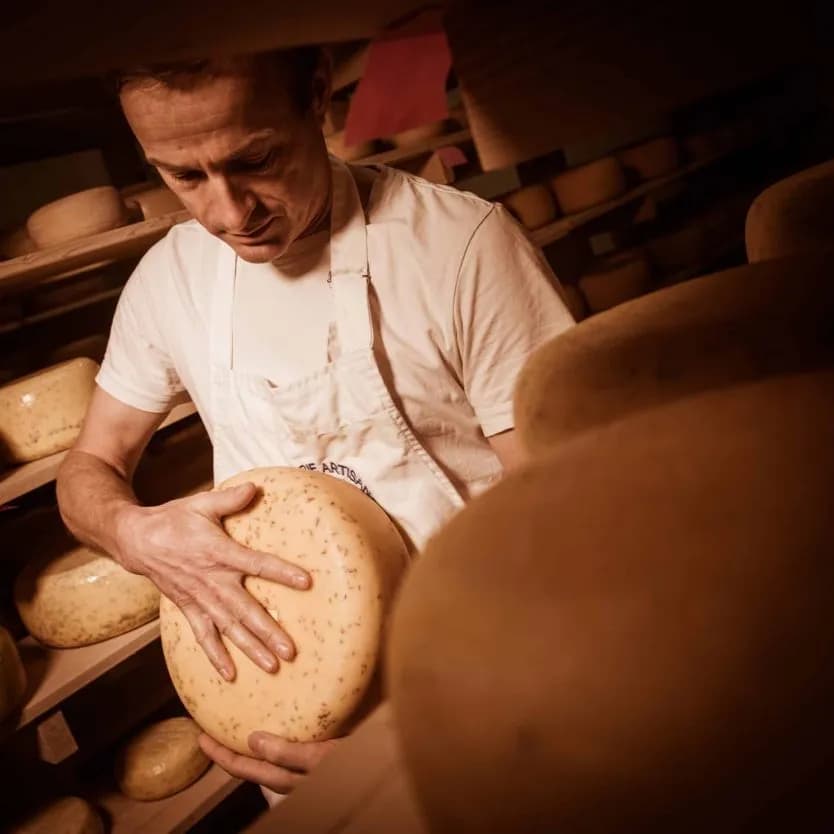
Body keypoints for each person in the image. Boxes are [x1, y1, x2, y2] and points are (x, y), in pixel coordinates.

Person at [55, 45, 573, 797]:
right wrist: (133, 535)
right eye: (184, 176)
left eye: (255, 159)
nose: (228, 213)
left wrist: (454, 729)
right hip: (298, 730)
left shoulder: (456, 248)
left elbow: (579, 517)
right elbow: (86, 470)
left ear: (318, 95)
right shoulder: (171, 281)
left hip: (489, 707)